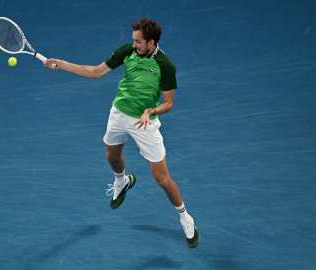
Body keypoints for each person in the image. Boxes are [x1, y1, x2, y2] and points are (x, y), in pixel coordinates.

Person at [43, 18, 200, 248]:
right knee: (112, 157)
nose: (133, 44)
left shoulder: (166, 65)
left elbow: (168, 103)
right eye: (133, 40)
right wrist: (63, 64)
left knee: (163, 180)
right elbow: (96, 72)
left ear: (151, 42)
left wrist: (152, 110)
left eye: (138, 41)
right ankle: (122, 181)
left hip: (145, 123)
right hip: (119, 113)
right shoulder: (128, 51)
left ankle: (186, 218)